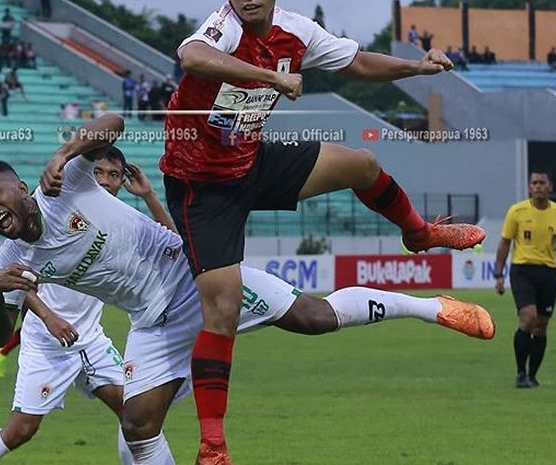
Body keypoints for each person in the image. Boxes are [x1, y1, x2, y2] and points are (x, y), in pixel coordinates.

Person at [0, 114, 494, 465]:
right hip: (153, 323)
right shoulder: (14, 259)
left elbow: (112, 124)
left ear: (17, 184)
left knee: (314, 318)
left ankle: (431, 308)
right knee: (137, 422)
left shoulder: (69, 183)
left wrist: (63, 152)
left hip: (198, 278)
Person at [159, 3, 486, 462]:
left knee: (363, 165)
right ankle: (213, 445)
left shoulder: (296, 31)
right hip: (201, 187)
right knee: (224, 311)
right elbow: (191, 56)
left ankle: (418, 233)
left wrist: (416, 67)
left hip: (251, 162)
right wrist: (272, 77)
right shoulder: (223, 27)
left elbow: (356, 61)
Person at [0, 149, 169, 465]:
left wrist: (150, 195)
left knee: (136, 417)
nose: (106, 181)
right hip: (49, 344)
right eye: (99, 172)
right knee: (20, 430)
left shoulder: (111, 217)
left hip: (91, 338)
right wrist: (48, 317)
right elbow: (23, 273)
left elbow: (174, 242)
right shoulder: (57, 207)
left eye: (114, 175)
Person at [494, 171, 556, 389]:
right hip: (522, 270)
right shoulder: (517, 211)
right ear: (529, 187)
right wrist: (499, 274)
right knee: (528, 318)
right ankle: (520, 373)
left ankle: (532, 376)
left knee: (541, 325)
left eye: (542, 183)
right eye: (534, 183)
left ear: (550, 186)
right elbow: (504, 243)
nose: (538, 186)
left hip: (548, 273)